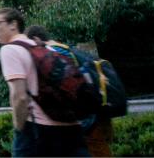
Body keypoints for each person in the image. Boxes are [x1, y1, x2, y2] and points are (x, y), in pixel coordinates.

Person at [0, 8, 89, 157]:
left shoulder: (9, 50)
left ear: (13, 25)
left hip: (38, 128)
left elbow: (19, 96)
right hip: (70, 125)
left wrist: (18, 126)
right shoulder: (42, 46)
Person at [26, 25, 114, 157]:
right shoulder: (64, 49)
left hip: (85, 118)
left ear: (36, 39)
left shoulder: (52, 54)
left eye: (29, 44)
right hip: (95, 111)